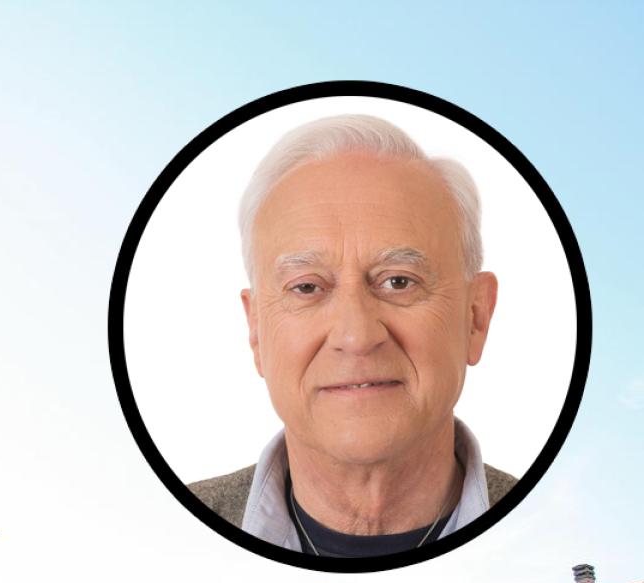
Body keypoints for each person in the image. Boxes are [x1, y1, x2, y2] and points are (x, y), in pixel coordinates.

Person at [188, 115, 516, 557]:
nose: (356, 336)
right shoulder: (170, 534)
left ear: (475, 317)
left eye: (398, 281)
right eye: (307, 287)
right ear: (256, 330)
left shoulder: (544, 528)